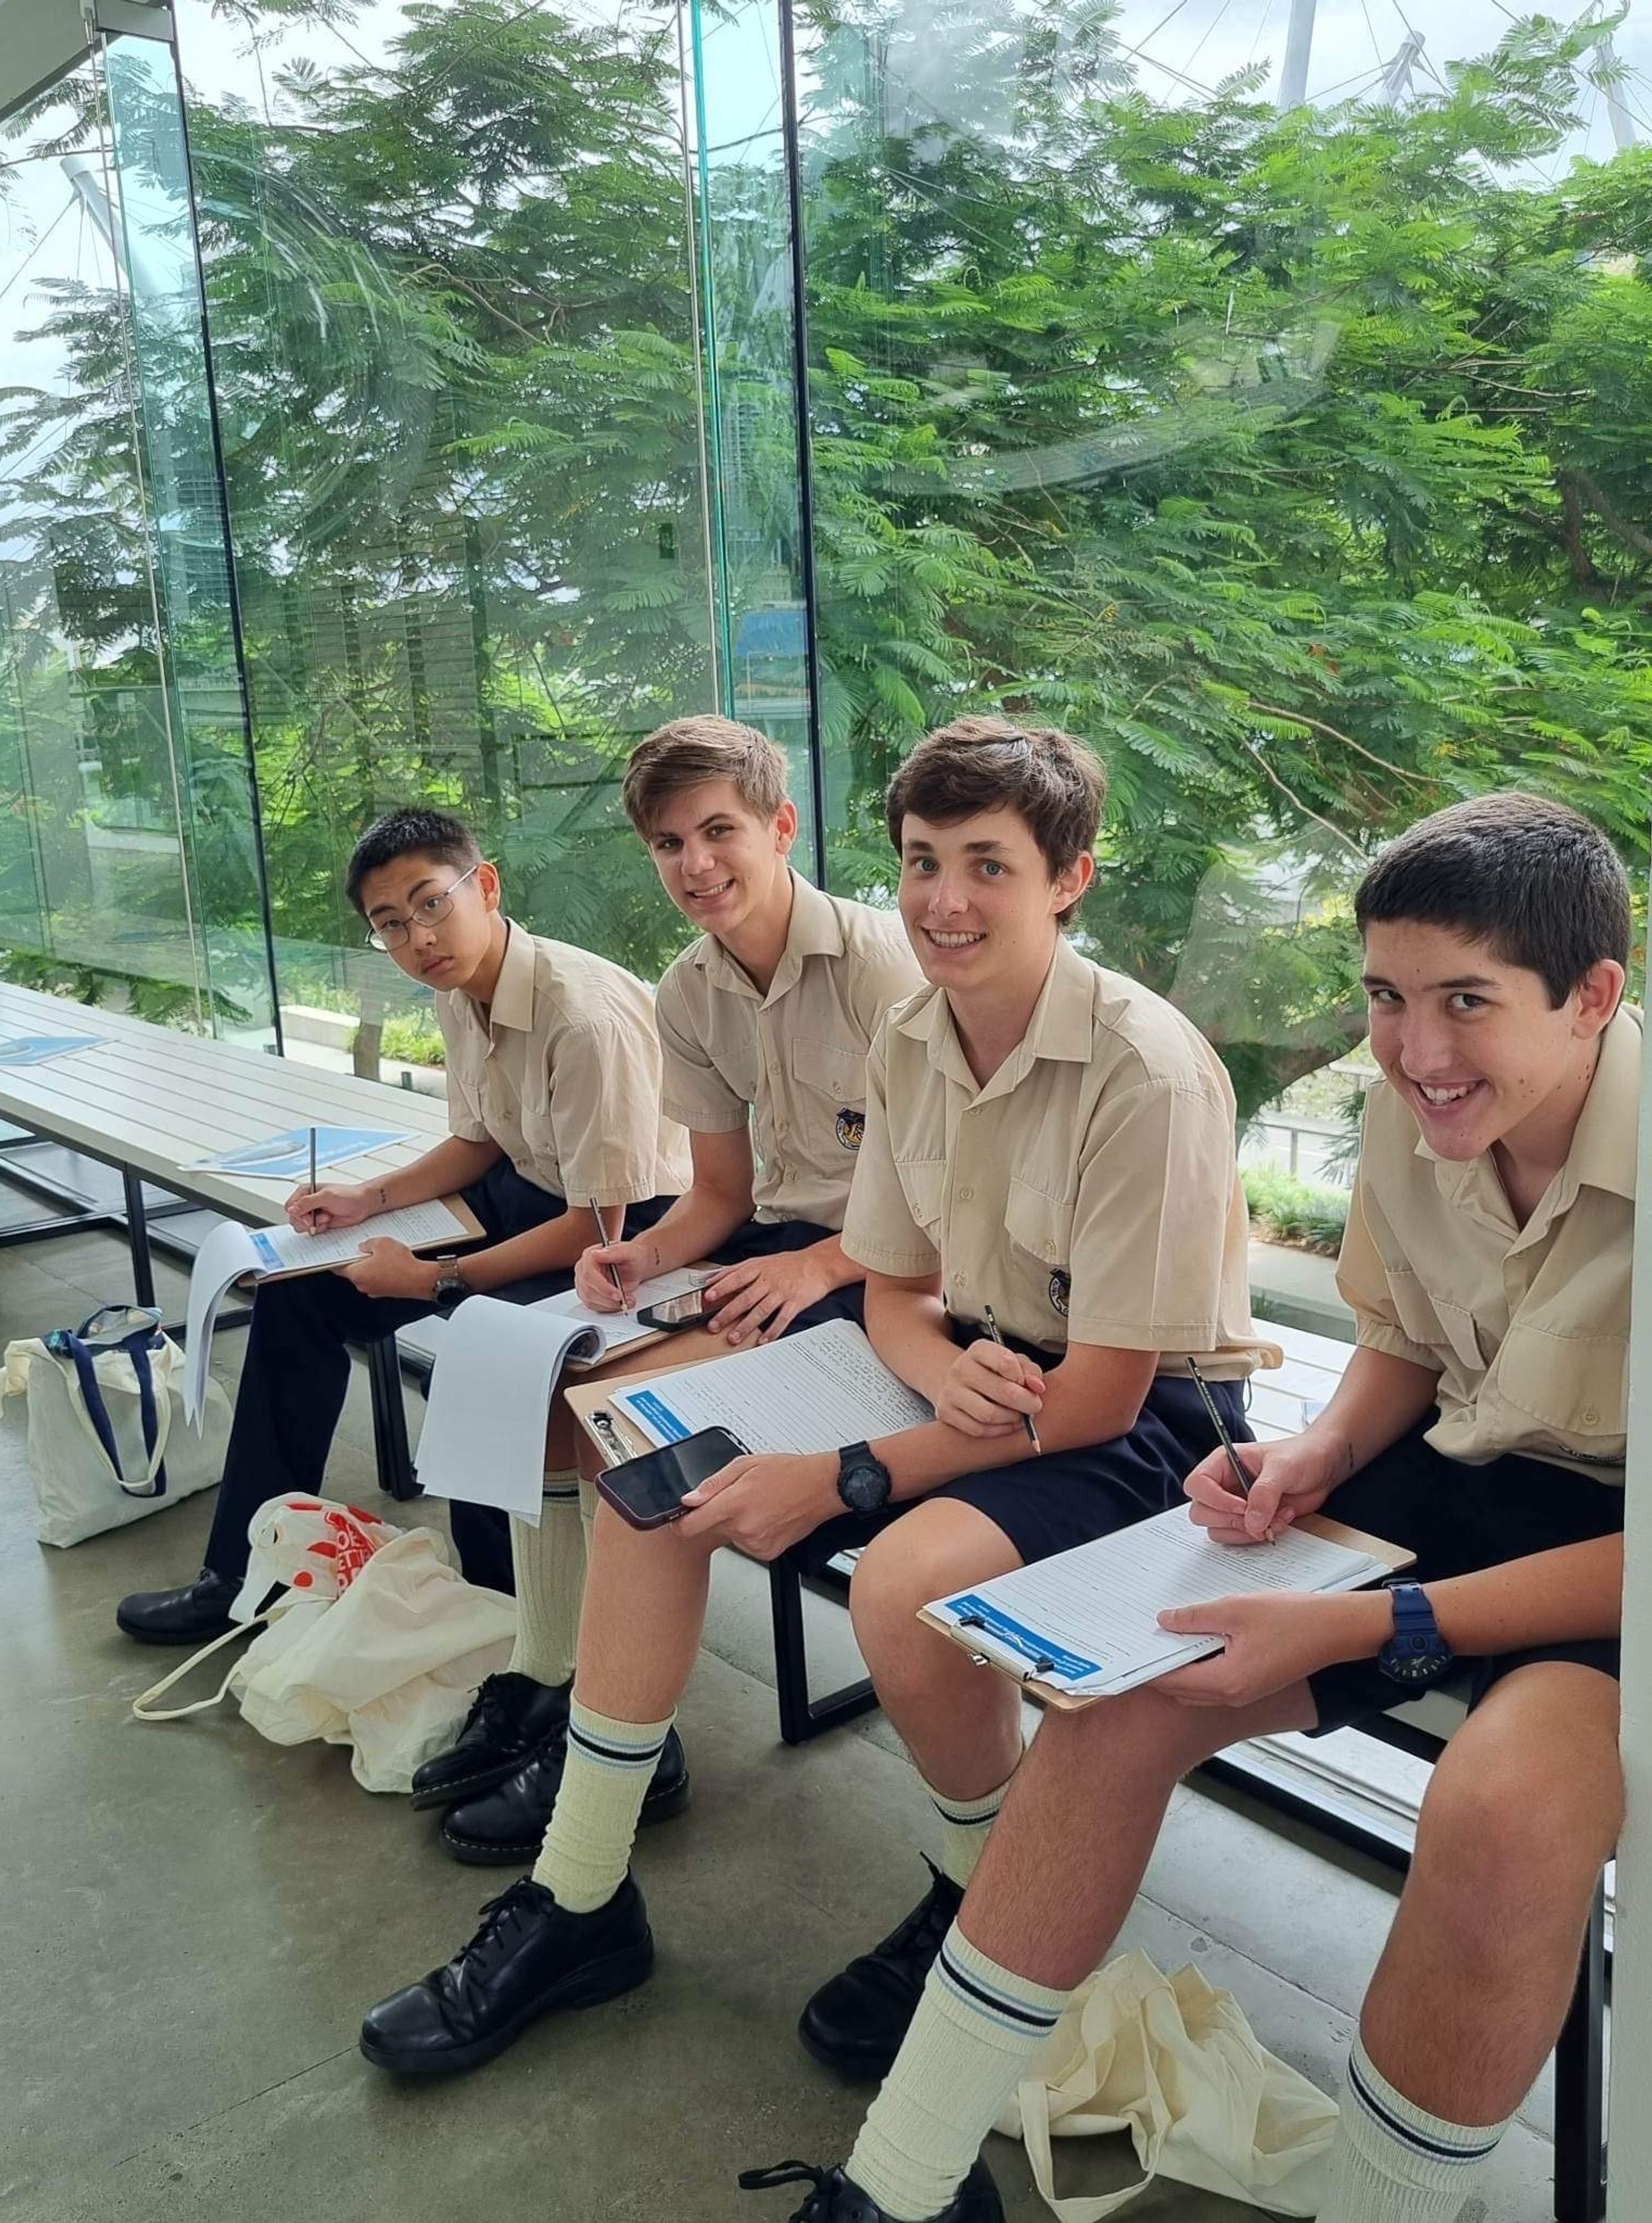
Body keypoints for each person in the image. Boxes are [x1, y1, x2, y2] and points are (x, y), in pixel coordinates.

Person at [740, 790, 1633, 2223]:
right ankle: (898, 2182)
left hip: (1612, 1554)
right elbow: (1405, 1342)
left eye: (1466, 1000)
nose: (1415, 1050)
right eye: (1386, 998)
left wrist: (1379, 1622)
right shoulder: (1416, 1108)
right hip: (1455, 1475)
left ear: (1591, 995)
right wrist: (1314, 1456)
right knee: (1123, 1690)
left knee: (1505, 1812)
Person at [357, 715, 1270, 2082]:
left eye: (987, 865)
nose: (945, 899)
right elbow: (895, 1286)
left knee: (900, 1584)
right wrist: (930, 1366)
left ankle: (979, 1897)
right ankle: (581, 1892)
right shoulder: (915, 1031)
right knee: (651, 1468)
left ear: (1069, 877)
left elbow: (1099, 1397)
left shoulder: (1141, 1067)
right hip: (962, 1354)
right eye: (923, 860)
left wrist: (850, 1472)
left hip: (1141, 1418)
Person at [117, 805, 689, 1842]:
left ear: (487, 886)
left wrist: (432, 1280)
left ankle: (531, 1660)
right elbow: (481, 1142)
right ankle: (242, 1577)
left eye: (433, 904)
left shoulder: (583, 1015)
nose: (418, 936)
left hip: (632, 1232)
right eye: (390, 923)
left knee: (486, 1360)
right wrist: (369, 1202)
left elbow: (599, 1227)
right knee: (299, 1291)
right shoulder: (465, 992)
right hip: (533, 1193)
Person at [424, 712, 922, 1865]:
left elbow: (946, 1207)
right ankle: (555, 1681)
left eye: (718, 831)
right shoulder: (688, 992)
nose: (695, 864)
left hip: (887, 1272)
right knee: (548, 1374)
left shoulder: (885, 970)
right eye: (667, 843)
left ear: (781, 827)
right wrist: (644, 1256)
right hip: (770, 1248)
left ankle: (623, 1745)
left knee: (634, 1432)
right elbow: (719, 1194)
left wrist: (821, 1264)